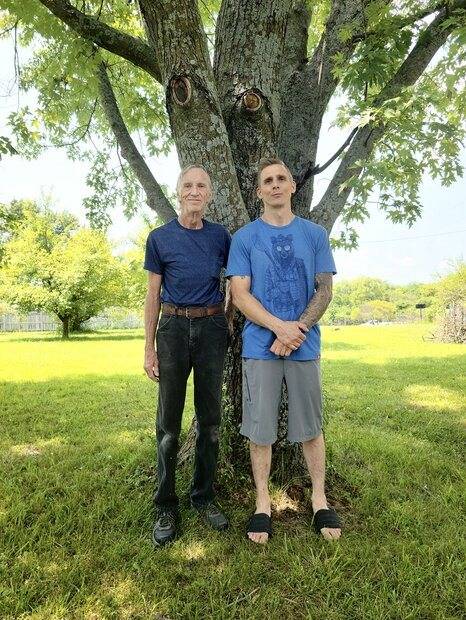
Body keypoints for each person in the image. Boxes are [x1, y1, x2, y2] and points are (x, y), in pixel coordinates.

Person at [226, 157, 342, 544]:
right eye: (268, 180)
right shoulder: (245, 238)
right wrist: (279, 328)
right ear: (259, 191)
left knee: (311, 427)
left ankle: (319, 499)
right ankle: (262, 503)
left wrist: (297, 330)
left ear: (293, 186)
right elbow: (240, 294)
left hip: (305, 345)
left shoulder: (314, 234)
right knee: (260, 429)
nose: (275, 184)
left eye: (281, 178)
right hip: (261, 347)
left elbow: (324, 290)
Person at [144, 164, 231, 546]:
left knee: (210, 421)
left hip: (211, 329)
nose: (195, 191)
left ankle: (203, 496)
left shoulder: (221, 237)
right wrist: (148, 347)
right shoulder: (159, 238)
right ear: (178, 192)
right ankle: (165, 504)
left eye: (202, 186)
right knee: (168, 426)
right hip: (173, 330)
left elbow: (236, 280)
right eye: (188, 185)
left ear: (209, 194)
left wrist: (227, 316)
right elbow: (152, 295)